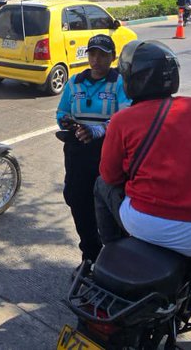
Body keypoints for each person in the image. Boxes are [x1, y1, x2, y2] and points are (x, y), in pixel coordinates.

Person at [95, 40, 191, 350]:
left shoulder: (122, 120)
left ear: (134, 80)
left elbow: (110, 176)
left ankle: (112, 248)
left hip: (141, 224)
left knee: (100, 185)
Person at [55, 34, 130, 264]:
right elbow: (61, 112)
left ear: (113, 57)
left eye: (103, 55)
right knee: (78, 202)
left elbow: (126, 116)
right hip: (77, 153)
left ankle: (117, 258)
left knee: (112, 206)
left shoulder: (119, 83)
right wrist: (66, 120)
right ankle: (90, 256)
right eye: (92, 53)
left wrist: (98, 130)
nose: (96, 60)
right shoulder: (74, 82)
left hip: (108, 153)